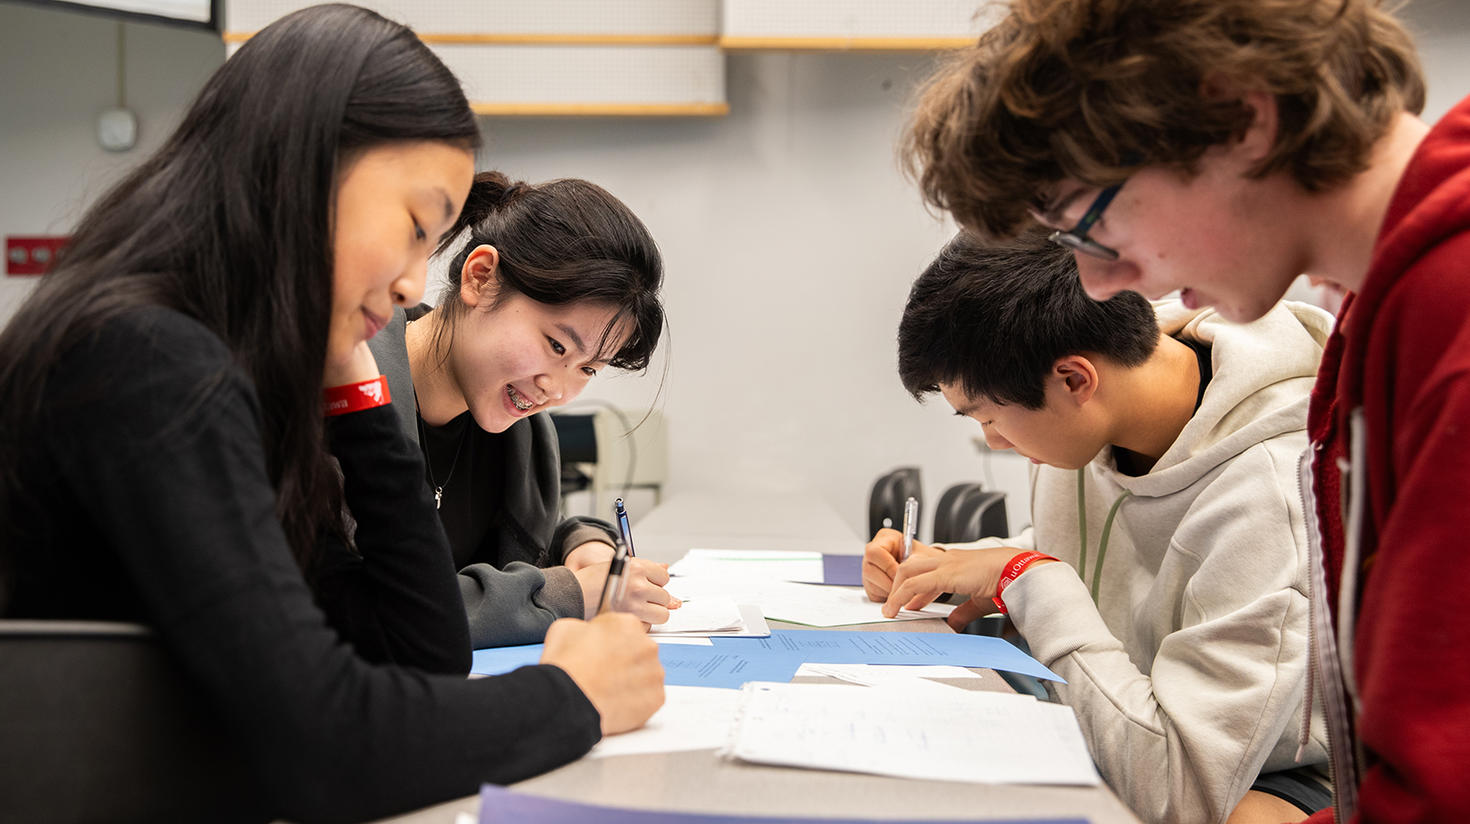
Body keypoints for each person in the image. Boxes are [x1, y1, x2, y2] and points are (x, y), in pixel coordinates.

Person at [0, 5, 662, 822]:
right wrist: (572, 697)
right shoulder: (147, 360)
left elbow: (422, 647)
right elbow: (325, 747)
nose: (418, 286)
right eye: (417, 230)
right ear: (306, 169)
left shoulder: (237, 370)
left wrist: (355, 388)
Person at [900, 2, 1470, 821]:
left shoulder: (1450, 321)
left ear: (1242, 119)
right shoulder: (1373, 319)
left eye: (1088, 224)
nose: (1101, 285)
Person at [864, 235, 1332, 824]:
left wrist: (1028, 578)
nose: (993, 441)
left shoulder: (1270, 495)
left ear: (1074, 380)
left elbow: (1176, 794)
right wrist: (955, 564)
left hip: (1273, 765)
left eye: (988, 416)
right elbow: (1109, 555)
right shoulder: (1108, 406)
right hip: (1120, 714)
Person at [367, 171, 677, 647]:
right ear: (481, 277)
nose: (557, 390)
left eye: (588, 369)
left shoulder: (521, 439)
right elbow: (364, 610)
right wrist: (569, 594)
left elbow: (521, 538)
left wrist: (582, 545)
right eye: (556, 345)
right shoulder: (347, 400)